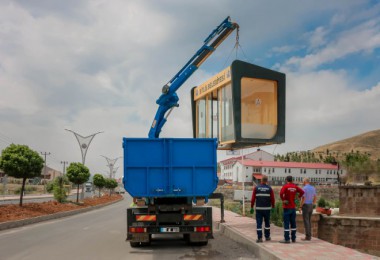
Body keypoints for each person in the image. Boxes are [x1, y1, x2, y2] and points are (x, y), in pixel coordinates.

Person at [279, 175, 304, 243]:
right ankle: (293, 238)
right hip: (293, 207)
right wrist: (298, 197)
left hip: (287, 207)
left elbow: (281, 193)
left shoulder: (285, 186)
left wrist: (283, 200)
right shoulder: (295, 187)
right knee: (293, 223)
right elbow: (302, 192)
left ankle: (287, 239)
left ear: (286, 180)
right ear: (292, 180)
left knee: (286, 223)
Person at [250, 175, 275, 243]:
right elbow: (272, 199)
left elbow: (253, 199)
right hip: (267, 209)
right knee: (267, 223)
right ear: (267, 181)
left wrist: (252, 207)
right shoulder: (269, 188)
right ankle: (267, 237)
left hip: (259, 209)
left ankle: (260, 238)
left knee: (259, 223)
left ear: (261, 180)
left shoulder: (256, 188)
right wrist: (273, 207)